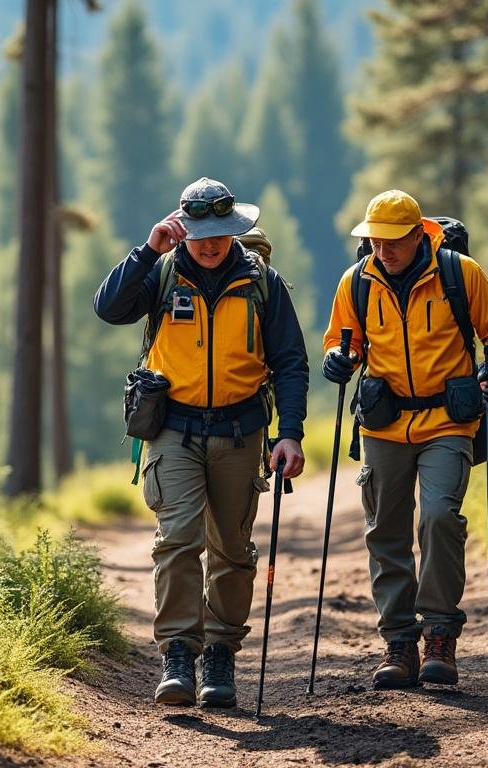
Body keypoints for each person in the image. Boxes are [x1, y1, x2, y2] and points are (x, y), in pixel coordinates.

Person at [94, 178, 310, 707]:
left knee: (232, 551)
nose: (210, 244)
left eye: (220, 233)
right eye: (200, 234)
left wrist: (290, 434)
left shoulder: (263, 283)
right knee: (177, 541)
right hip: (172, 428)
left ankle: (219, 655)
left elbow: (290, 363)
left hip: (240, 431)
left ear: (236, 230)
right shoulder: (162, 274)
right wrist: (148, 251)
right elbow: (109, 308)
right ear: (183, 228)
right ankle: (177, 656)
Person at [321, 189, 488, 689]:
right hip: (383, 425)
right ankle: (399, 643)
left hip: (448, 422)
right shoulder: (357, 282)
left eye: (391, 241)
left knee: (438, 518)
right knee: (385, 530)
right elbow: (342, 340)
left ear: (417, 235)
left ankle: (439, 635)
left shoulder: (460, 273)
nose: (381, 251)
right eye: (373, 241)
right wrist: (338, 360)